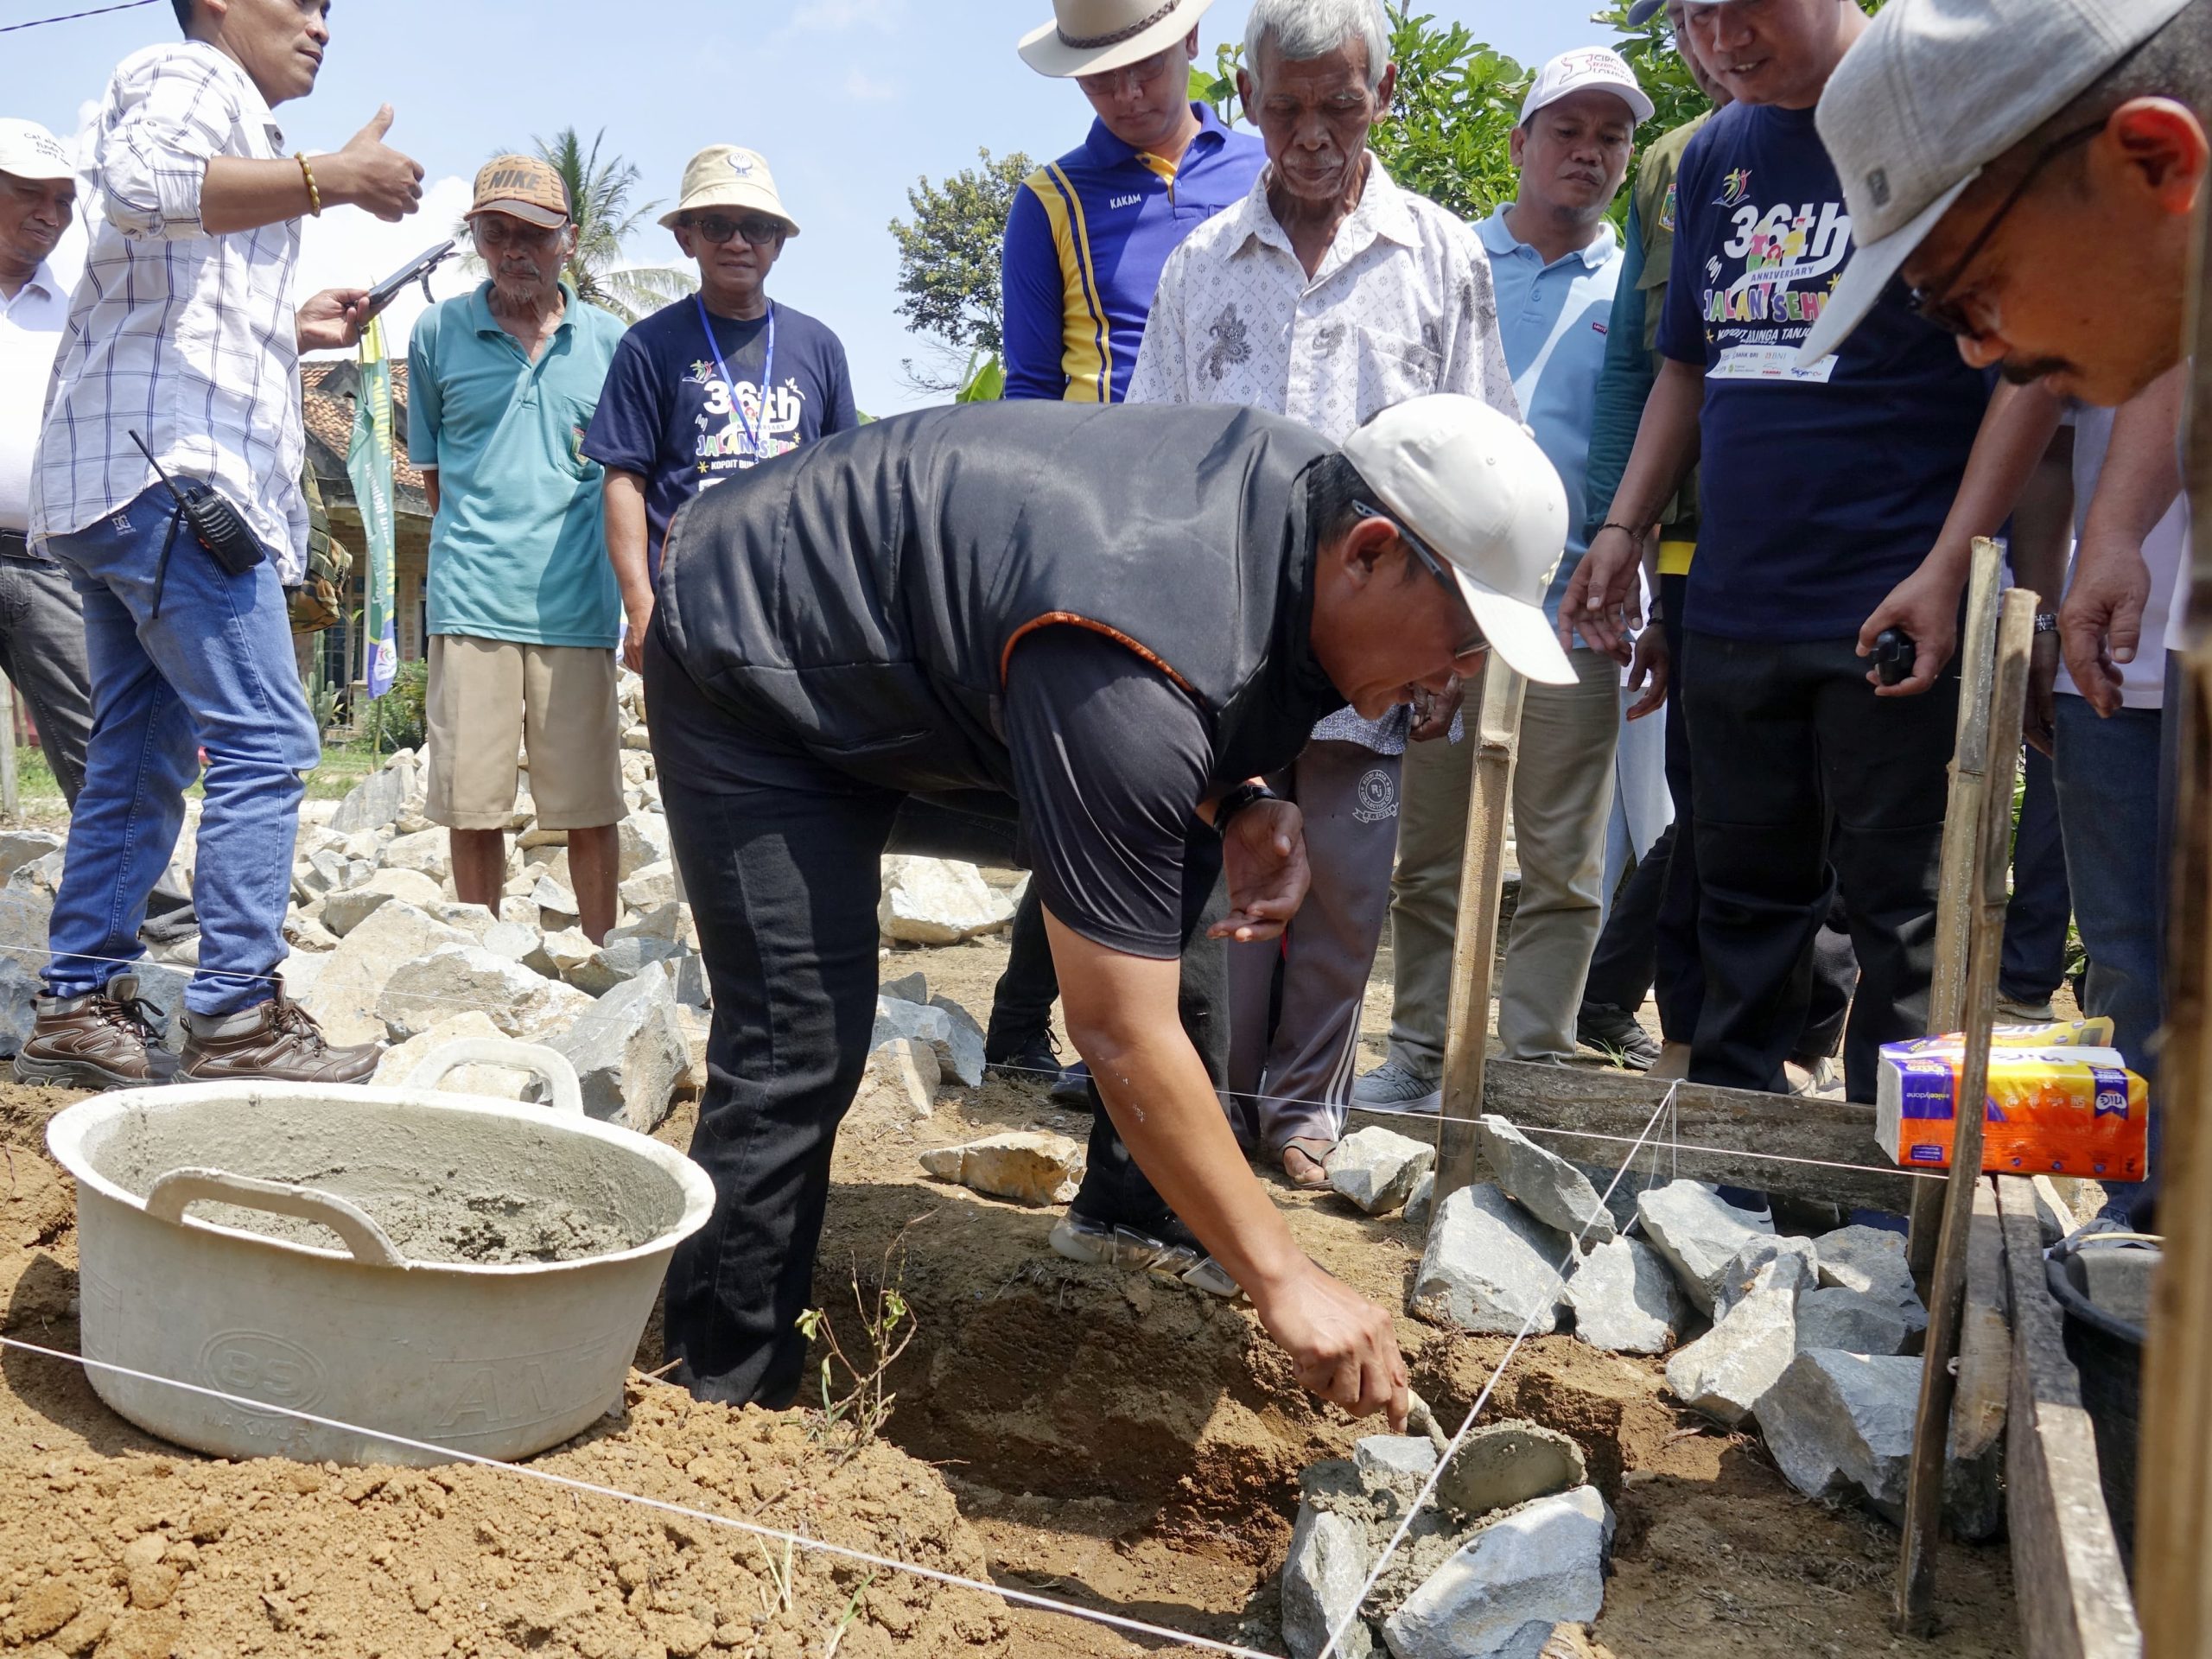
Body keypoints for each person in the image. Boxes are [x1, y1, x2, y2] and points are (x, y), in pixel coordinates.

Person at [643, 390, 1570, 1423]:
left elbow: (1187, 722)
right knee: (798, 1040)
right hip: (753, 654)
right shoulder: (1136, 646)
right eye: (1466, 634)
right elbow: (1117, 1028)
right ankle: (721, 1402)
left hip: (943, 678)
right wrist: (1285, 1277)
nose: (1461, 675)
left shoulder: (1297, 520)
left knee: (1175, 843)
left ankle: (1139, 1214)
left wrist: (1242, 800)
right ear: (1370, 551)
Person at [1560, 0, 1999, 1107]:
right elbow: (1687, 365)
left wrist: (1951, 565)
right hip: (1735, 599)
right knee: (1737, 897)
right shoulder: (1716, 152)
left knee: (1901, 915)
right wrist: (1623, 528)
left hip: (1894, 597)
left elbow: (2024, 373)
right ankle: (1729, 1158)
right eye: (1693, 15)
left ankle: (1892, 1178)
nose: (1719, 40)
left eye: (1742, 7)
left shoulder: (1943, 108)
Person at [1128, 0, 1530, 1181]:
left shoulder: (1440, 257)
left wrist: (1458, 652)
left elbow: (1487, 455)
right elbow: (1150, 457)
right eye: (1286, 108)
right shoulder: (1203, 264)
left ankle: (1304, 1113)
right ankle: (1215, 1111)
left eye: (1340, 107)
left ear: (1384, 97)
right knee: (1233, 886)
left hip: (1381, 643)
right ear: (1247, 103)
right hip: (1229, 643)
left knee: (1349, 888)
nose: (1311, 135)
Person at [16, 0, 422, 1090]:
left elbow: (176, 307)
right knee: (267, 739)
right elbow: (143, 186)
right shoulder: (188, 73)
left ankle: (75, 1005)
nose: (321, 24)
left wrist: (296, 328)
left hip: (124, 481)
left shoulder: (236, 123)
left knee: (140, 755)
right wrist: (334, 178)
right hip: (173, 479)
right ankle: (238, 1013)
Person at [1354, 45, 1645, 1116]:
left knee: (1564, 857)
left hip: (1574, 608)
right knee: (1429, 848)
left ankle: (1530, 1066)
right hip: (1436, 604)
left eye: (1610, 136)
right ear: (1520, 142)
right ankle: (1417, 1052)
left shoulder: (1634, 288)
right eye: (1566, 131)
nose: (1588, 153)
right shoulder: (1446, 259)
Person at [986, 0, 1268, 1092]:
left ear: (1191, 43)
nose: (1126, 93)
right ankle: (1078, 1041)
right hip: (1105, 529)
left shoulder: (1259, 167)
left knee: (1183, 790)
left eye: (1143, 66)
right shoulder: (1051, 199)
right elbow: (1028, 388)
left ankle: (1174, 1057)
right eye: (1099, 77)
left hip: (1238, 518)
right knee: (1113, 781)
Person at [409, 157, 628, 943]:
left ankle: (603, 959)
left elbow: (626, 482)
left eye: (533, 235)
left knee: (590, 806)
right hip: (472, 604)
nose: (514, 251)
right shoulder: (437, 333)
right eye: (495, 233)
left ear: (570, 241)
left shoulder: (612, 343)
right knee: (473, 805)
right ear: (476, 239)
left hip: (579, 606)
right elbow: (434, 476)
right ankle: (479, 964)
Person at [582, 146, 855, 675]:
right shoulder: (650, 345)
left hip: (797, 611)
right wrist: (639, 606)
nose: (737, 242)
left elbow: (843, 484)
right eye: (716, 225)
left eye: (756, 227)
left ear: (778, 242)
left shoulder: (820, 347)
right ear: (686, 238)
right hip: (688, 609)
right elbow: (624, 481)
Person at [0, 121, 97, 810]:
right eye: (30, 192)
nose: (51, 214)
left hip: (50, 561)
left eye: (64, 200)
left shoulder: (81, 315)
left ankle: (136, 886)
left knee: (105, 754)